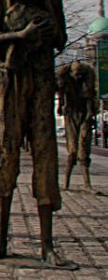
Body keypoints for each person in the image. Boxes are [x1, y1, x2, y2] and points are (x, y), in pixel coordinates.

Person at [0, 0, 68, 266]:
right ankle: (1, 239)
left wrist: (44, 22)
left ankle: (47, 244)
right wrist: (21, 34)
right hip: (12, 75)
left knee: (46, 151)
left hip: (42, 75)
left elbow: (61, 33)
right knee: (7, 150)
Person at [57, 61, 96, 191]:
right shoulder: (64, 78)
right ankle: (66, 183)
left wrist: (90, 113)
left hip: (84, 115)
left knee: (83, 148)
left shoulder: (88, 76)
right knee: (72, 150)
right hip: (71, 115)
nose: (78, 77)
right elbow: (61, 95)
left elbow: (90, 97)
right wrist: (60, 106)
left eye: (80, 75)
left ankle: (87, 184)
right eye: (76, 75)